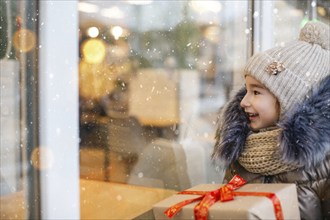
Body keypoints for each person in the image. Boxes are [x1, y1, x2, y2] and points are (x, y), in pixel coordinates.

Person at [212, 21, 330, 220]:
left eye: (256, 92)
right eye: (246, 90)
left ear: (291, 100)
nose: (243, 102)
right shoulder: (242, 152)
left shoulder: (322, 163)